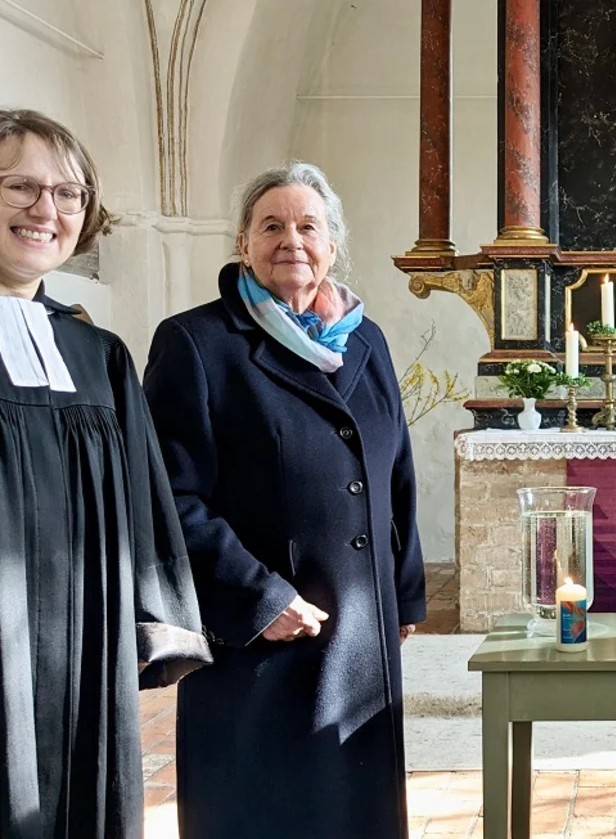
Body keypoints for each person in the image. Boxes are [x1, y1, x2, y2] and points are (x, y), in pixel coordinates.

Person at [143, 162, 426, 838]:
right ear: (243, 243)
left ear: (332, 246)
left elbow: (397, 469)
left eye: (308, 226)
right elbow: (169, 495)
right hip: (261, 637)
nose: (290, 240)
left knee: (353, 807)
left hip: (358, 624)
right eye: (271, 225)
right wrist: (259, 598)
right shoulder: (198, 343)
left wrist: (405, 592)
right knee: (262, 805)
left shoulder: (365, 339)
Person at [0, 108, 210, 839]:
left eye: (68, 194)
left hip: (82, 641)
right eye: (20, 187)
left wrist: (154, 618)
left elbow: (143, 503)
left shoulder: (98, 355)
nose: (45, 210)